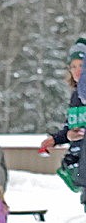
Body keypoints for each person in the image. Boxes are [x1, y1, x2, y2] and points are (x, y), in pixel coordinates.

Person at [41, 38, 86, 199]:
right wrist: (56, 139)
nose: (77, 70)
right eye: (73, 66)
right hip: (80, 166)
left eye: (81, 65)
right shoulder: (76, 97)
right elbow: (71, 128)